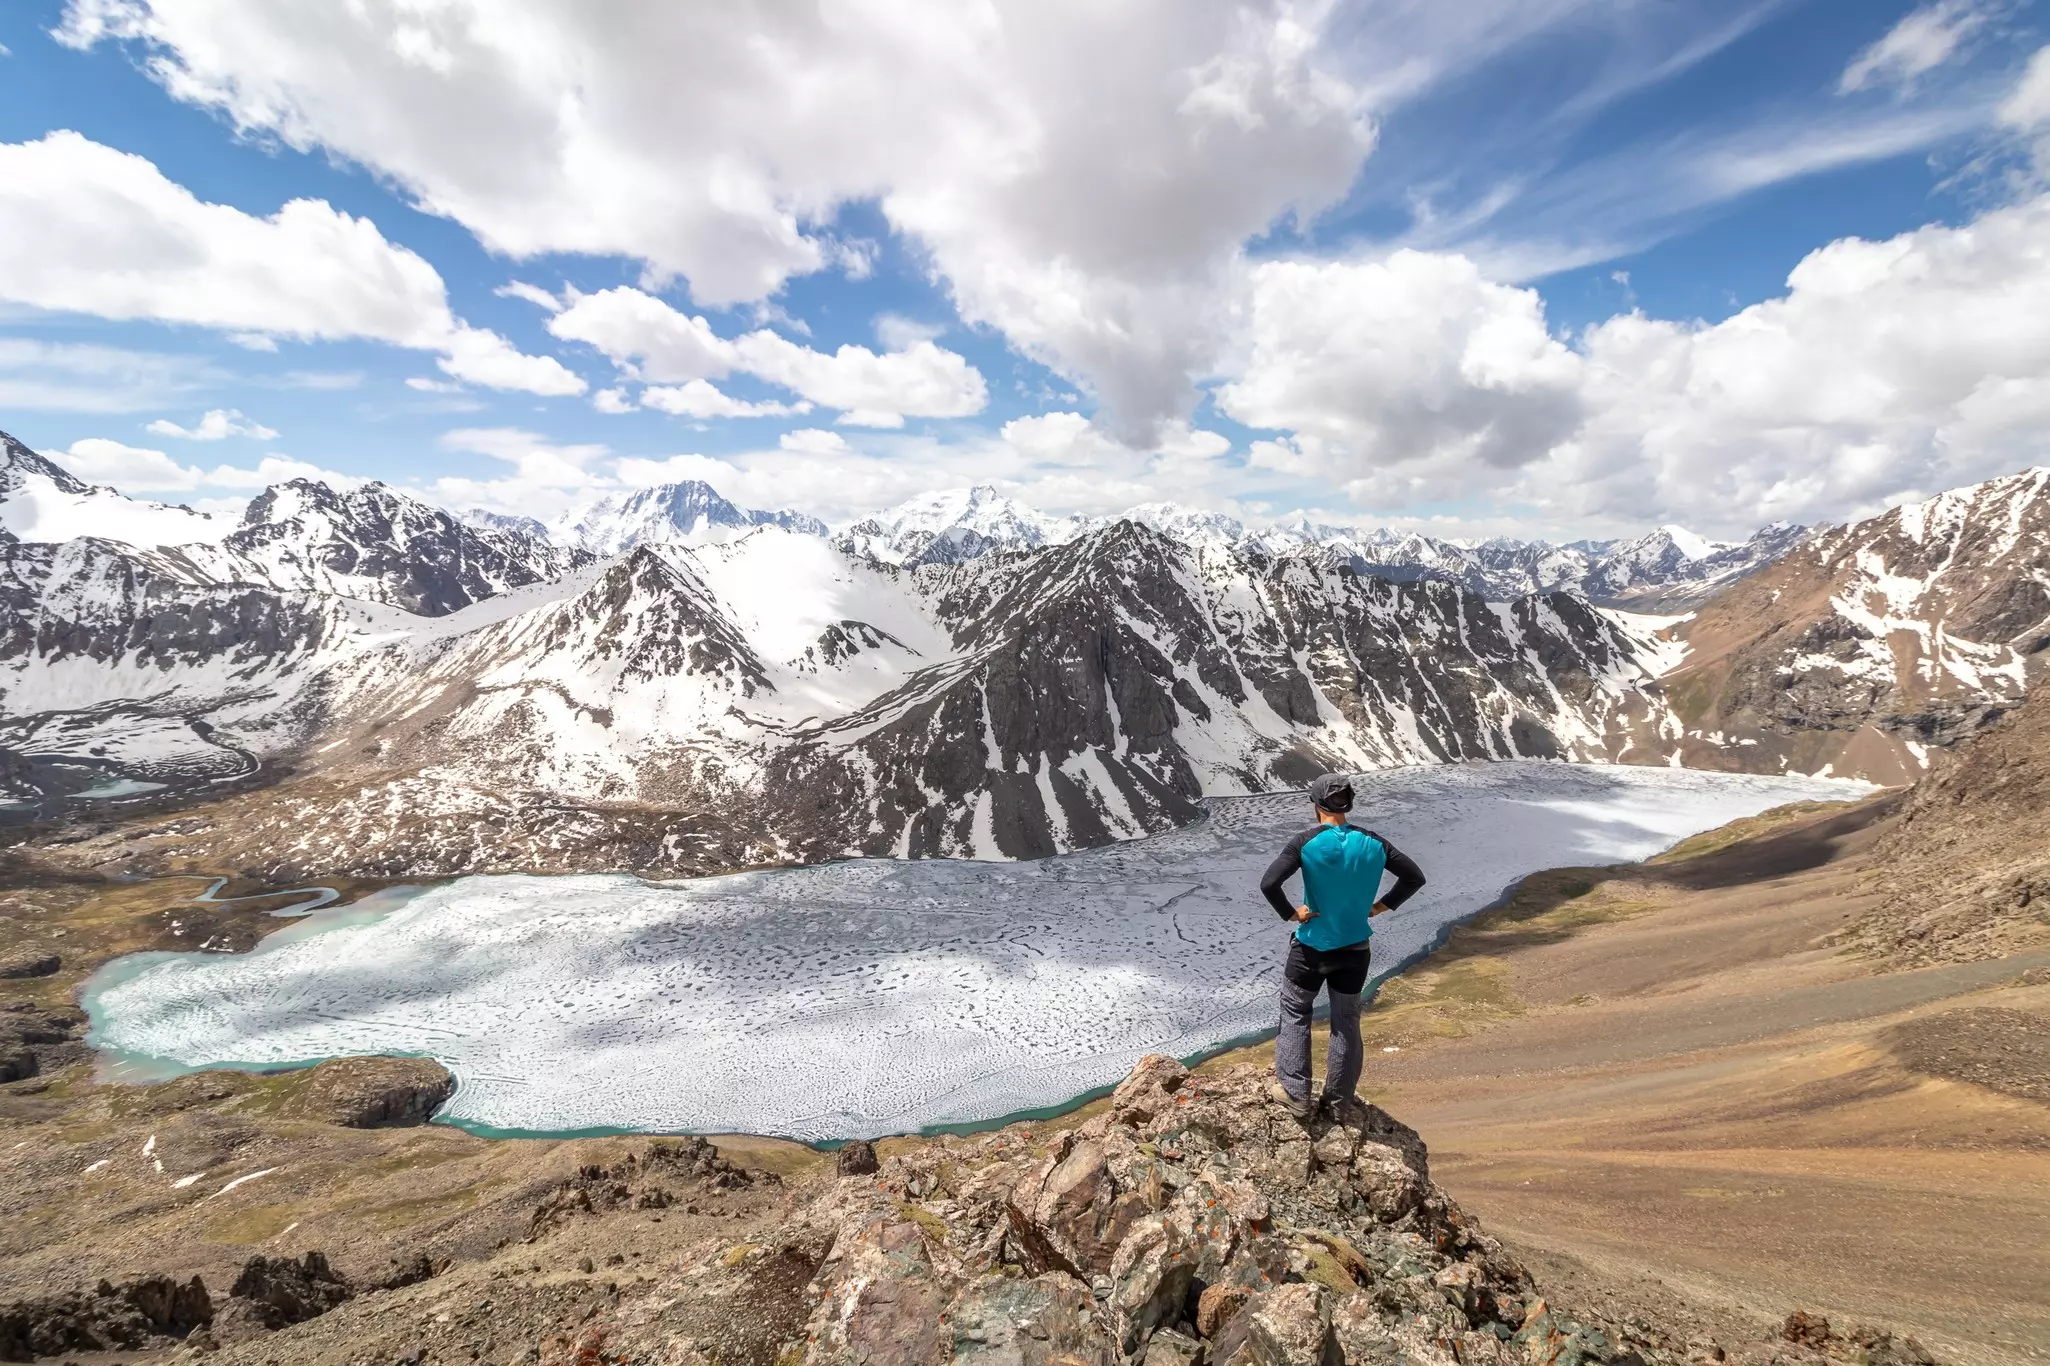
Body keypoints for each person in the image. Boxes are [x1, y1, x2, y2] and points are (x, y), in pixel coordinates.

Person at [1259, 772, 1426, 1119]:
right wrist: (1380, 906)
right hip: (1355, 950)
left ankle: (1295, 1093)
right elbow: (1414, 877)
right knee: (1346, 1022)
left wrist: (1292, 913)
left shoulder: (1306, 842)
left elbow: (1270, 883)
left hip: (1311, 948)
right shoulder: (1374, 843)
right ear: (1348, 803)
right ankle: (1337, 1104)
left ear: (1316, 804)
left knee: (1295, 1013)